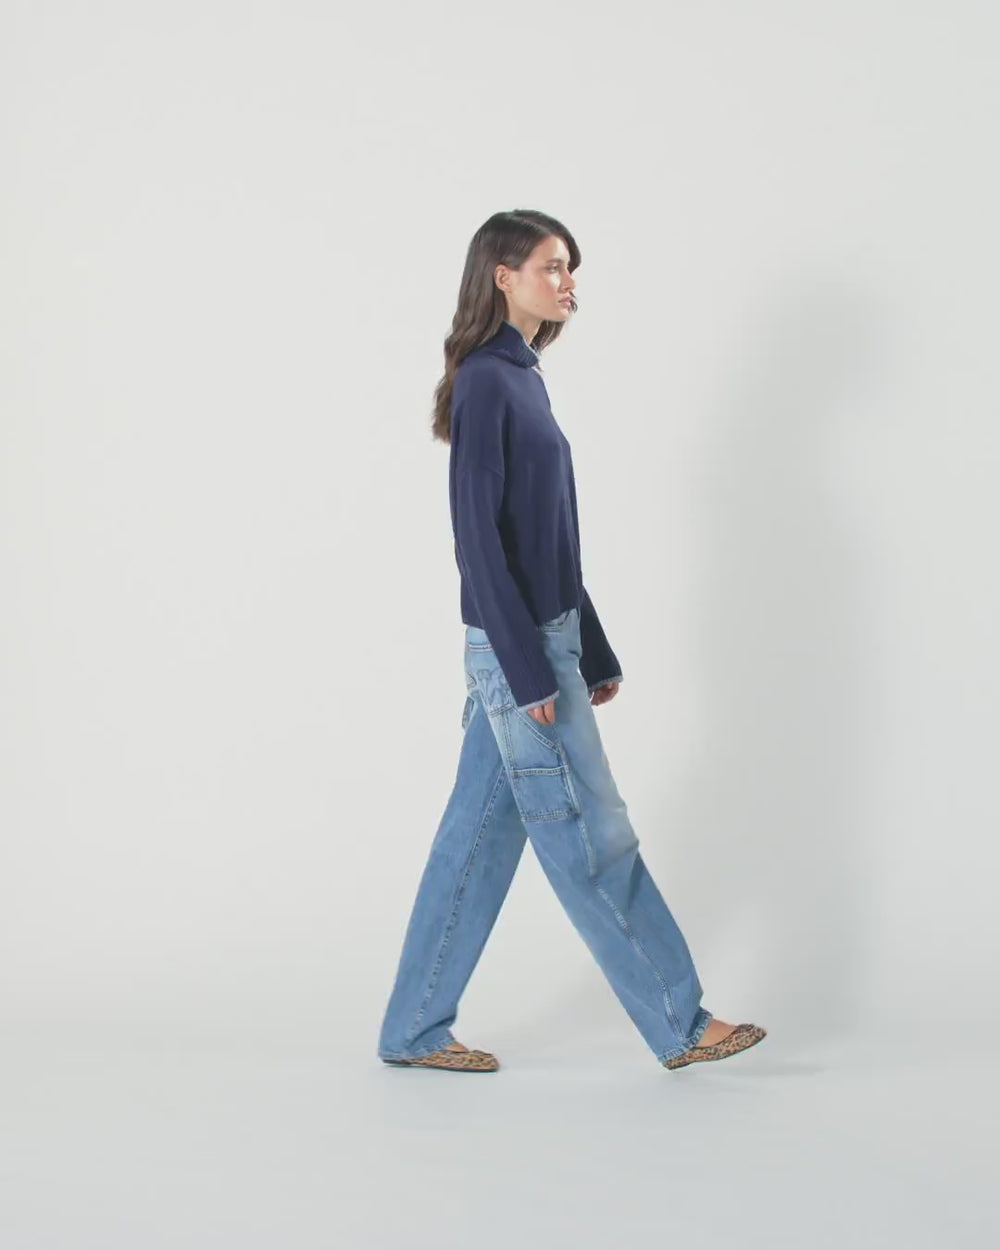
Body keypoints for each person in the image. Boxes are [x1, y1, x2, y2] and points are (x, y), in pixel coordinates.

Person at [376, 209, 767, 1074]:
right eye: (552, 266)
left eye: (570, 267)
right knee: (593, 837)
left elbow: (542, 536)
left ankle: (412, 1028)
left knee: (474, 844)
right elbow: (478, 540)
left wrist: (590, 648)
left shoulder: (521, 375)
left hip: (539, 643)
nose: (567, 282)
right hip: (516, 653)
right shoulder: (487, 380)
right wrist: (529, 670)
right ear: (503, 275)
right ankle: (681, 1022)